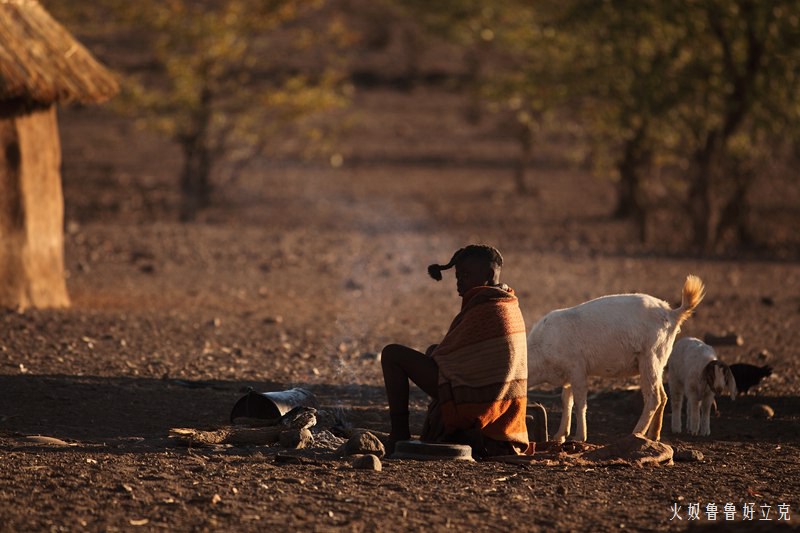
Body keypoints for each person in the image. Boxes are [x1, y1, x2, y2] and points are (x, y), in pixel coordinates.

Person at [380, 244, 530, 457]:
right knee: (432, 350)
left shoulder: (487, 308)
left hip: (480, 404)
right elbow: (459, 353)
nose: (459, 282)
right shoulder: (505, 302)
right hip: (496, 400)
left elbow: (450, 357)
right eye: (458, 276)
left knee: (392, 354)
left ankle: (398, 436)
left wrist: (436, 356)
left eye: (466, 275)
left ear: (488, 274)